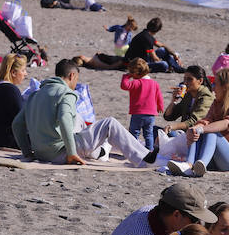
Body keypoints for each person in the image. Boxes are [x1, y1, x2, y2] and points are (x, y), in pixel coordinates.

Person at [11, 58, 157, 167]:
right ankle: (144, 158)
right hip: (60, 153)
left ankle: (101, 151)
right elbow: (64, 120)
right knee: (109, 123)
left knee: (79, 119)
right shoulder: (65, 93)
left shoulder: (36, 94)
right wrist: (71, 153)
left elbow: (17, 124)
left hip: (41, 153)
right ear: (72, 76)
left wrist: (27, 152)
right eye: (77, 79)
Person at [167, 68, 229, 177]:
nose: (213, 88)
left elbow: (227, 123)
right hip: (215, 156)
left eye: (215, 84)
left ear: (225, 87)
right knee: (195, 130)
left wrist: (201, 129)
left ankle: (200, 166)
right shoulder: (217, 103)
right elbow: (206, 120)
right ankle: (189, 164)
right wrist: (195, 129)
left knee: (211, 132)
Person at [0, 54, 28, 148]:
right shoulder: (11, 90)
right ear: (13, 73)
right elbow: (21, 119)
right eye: (23, 70)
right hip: (8, 140)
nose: (26, 74)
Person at [121, 58, 164, 150]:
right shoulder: (154, 83)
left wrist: (126, 77)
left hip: (138, 113)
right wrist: (160, 106)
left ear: (135, 73)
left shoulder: (137, 83)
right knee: (148, 134)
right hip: (151, 114)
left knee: (134, 133)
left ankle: (133, 150)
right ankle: (149, 151)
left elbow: (124, 86)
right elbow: (159, 96)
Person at [161, 65, 214, 134]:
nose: (185, 82)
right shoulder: (189, 94)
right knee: (156, 130)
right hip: (185, 133)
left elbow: (194, 121)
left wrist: (171, 127)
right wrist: (173, 101)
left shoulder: (206, 97)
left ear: (200, 81)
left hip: (198, 134)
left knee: (165, 133)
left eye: (189, 79)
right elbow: (169, 117)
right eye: (184, 79)